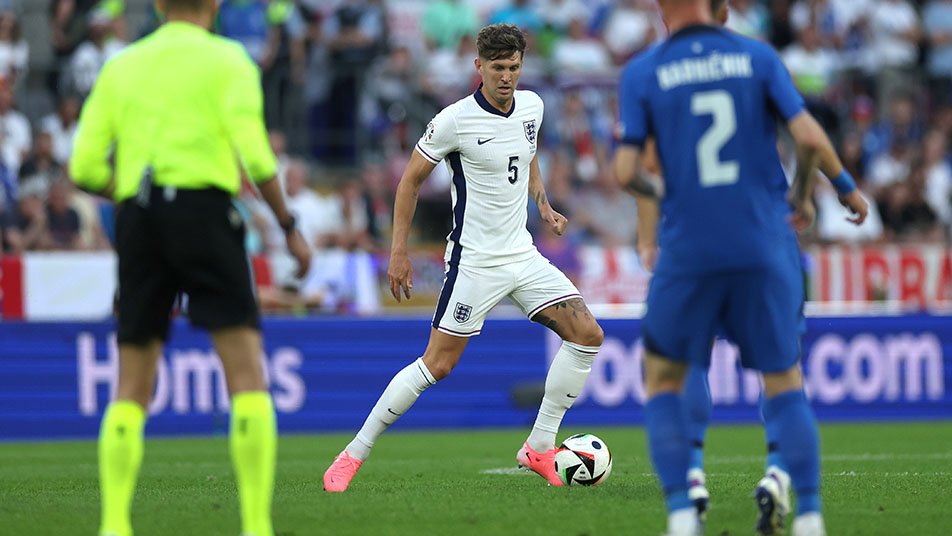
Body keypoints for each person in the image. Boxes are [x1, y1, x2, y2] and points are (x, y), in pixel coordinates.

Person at [614, 1, 868, 535]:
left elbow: (627, 171)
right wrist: (825, 193)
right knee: (784, 378)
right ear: (722, 10)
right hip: (764, 240)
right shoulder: (758, 56)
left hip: (689, 246)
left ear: (663, 10)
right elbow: (808, 139)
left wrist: (666, 200)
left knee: (667, 375)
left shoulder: (643, 71)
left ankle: (684, 511)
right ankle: (811, 515)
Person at [323, 23, 604, 492]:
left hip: (523, 255)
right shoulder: (454, 120)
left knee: (588, 334)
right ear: (479, 66)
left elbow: (528, 152)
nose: (507, 77)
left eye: (514, 67)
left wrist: (543, 203)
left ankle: (539, 445)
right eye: (497, 68)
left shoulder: (532, 106)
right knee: (437, 364)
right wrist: (399, 251)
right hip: (473, 262)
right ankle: (354, 452)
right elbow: (409, 181)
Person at [68, 1, 311, 535]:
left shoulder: (121, 65)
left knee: (131, 381)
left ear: (156, 5)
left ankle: (113, 525)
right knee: (246, 373)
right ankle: (254, 525)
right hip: (206, 212)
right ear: (216, 4)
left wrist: (131, 194)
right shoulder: (229, 60)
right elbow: (257, 156)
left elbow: (83, 165)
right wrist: (289, 226)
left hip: (139, 215)